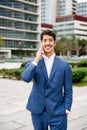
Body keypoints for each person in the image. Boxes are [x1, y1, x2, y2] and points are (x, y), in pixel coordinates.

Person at [21, 30, 73, 130]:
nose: (48, 43)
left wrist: (67, 109)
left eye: (50, 40)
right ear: (41, 43)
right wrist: (36, 59)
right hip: (38, 111)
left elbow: (68, 90)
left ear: (54, 43)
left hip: (58, 111)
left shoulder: (64, 66)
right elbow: (25, 78)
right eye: (45, 40)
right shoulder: (34, 62)